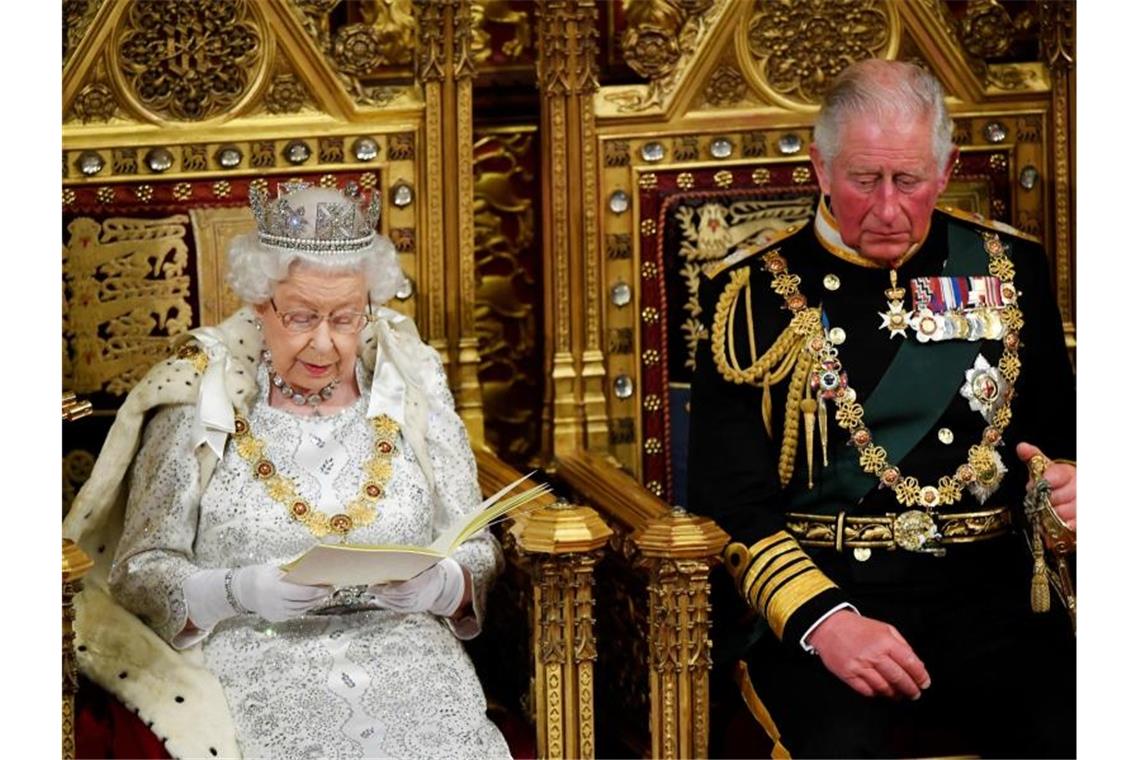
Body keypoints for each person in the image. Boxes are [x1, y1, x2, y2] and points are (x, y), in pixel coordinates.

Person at [688, 60, 1075, 758]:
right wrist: (825, 621)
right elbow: (730, 499)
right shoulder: (748, 297)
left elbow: (1059, 439)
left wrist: (1073, 483)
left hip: (992, 601)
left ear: (946, 165)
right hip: (833, 594)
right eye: (865, 181)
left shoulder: (1011, 272)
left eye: (912, 180)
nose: (889, 208)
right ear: (820, 167)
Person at [62, 181, 511, 758]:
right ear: (258, 303)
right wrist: (236, 590)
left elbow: (477, 541)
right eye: (300, 316)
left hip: (410, 656)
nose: (323, 342)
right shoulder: (199, 394)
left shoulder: (412, 383)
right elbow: (139, 569)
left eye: (346, 318)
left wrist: (443, 582)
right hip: (258, 657)